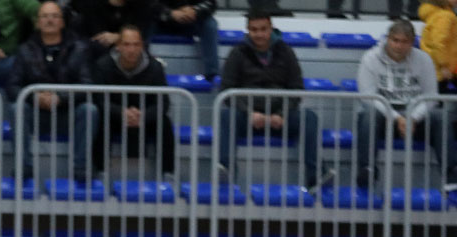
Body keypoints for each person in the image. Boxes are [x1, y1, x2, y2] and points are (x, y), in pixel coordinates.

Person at [218, 10, 331, 190]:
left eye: (263, 29)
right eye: (254, 30)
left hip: (281, 118)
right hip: (248, 117)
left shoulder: (286, 52)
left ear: (271, 28)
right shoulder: (237, 53)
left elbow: (297, 88)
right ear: (248, 30)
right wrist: (249, 113)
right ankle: (226, 173)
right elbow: (226, 90)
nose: (259, 34)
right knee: (226, 116)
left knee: (308, 118)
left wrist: (281, 114)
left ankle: (316, 177)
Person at [355, 19, 457, 188]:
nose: (399, 46)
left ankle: (451, 175)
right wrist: (397, 118)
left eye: (404, 42)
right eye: (395, 40)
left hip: (416, 118)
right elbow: (368, 96)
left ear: (412, 43)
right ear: (388, 38)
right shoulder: (370, 58)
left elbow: (431, 96)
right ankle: (367, 169)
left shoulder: (424, 60)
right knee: (368, 114)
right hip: (384, 117)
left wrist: (413, 117)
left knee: (441, 116)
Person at [6, 0, 99, 181]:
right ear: (37, 22)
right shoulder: (25, 50)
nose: (50, 20)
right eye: (45, 16)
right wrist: (35, 98)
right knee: (17, 109)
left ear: (62, 22)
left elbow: (87, 85)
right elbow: (12, 86)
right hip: (36, 115)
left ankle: (81, 167)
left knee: (90, 110)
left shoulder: (79, 48)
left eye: (55, 16)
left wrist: (60, 98)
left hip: (67, 113)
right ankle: (23, 166)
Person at [90, 25, 176, 177]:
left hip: (144, 117)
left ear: (142, 46)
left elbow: (163, 103)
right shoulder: (102, 65)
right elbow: (99, 100)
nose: (131, 49)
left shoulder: (155, 67)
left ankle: (168, 173)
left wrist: (143, 116)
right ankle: (100, 172)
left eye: (136, 45)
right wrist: (121, 113)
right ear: (118, 46)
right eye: (127, 44)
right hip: (114, 117)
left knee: (165, 123)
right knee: (100, 120)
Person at [150, 0, 217, 81]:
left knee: (209, 24)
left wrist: (195, 11)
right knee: (143, 22)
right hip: (161, 22)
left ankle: (212, 76)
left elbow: (211, 3)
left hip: (190, 21)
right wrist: (170, 13)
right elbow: (148, 4)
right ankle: (144, 71)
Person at [71, 0, 150, 59]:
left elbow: (140, 32)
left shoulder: (140, 5)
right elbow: (99, 35)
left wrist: (119, 37)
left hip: (126, 44)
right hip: (98, 49)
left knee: (138, 47)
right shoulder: (93, 4)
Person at [419, 0, 457, 94]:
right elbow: (439, 43)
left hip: (437, 69)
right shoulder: (445, 16)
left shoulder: (436, 14)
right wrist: (444, 66)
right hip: (443, 71)